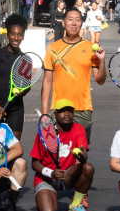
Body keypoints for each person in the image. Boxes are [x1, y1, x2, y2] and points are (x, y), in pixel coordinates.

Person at [41, 7, 107, 137]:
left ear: (81, 24)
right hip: (58, 109)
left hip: (82, 109)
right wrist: (44, 113)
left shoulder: (90, 47)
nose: (74, 23)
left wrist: (102, 61)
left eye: (77, 20)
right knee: (59, 153)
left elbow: (100, 80)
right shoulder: (53, 48)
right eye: (70, 20)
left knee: (80, 154)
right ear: (63, 23)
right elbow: (47, 82)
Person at [30, 101, 95, 211]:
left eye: (70, 111)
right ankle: (44, 201)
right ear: (55, 114)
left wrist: (82, 157)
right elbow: (34, 163)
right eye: (62, 111)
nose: (66, 114)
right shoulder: (44, 133)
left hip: (67, 176)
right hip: (46, 179)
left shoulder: (79, 129)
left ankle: (76, 205)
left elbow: (83, 153)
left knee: (88, 167)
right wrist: (51, 173)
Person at [0, 12, 30, 136]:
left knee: (13, 148)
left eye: (19, 34)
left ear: (23, 36)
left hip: (16, 109)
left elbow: (27, 85)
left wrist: (22, 91)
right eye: (13, 34)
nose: (16, 38)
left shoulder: (26, 59)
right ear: (8, 34)